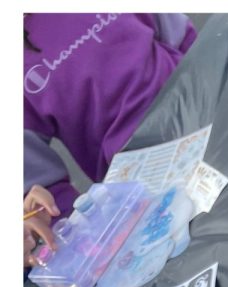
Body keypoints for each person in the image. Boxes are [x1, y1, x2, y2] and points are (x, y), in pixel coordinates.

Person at [23, 13, 197, 221]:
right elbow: (42, 191)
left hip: (208, 110)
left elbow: (184, 37)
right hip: (147, 184)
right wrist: (91, 233)